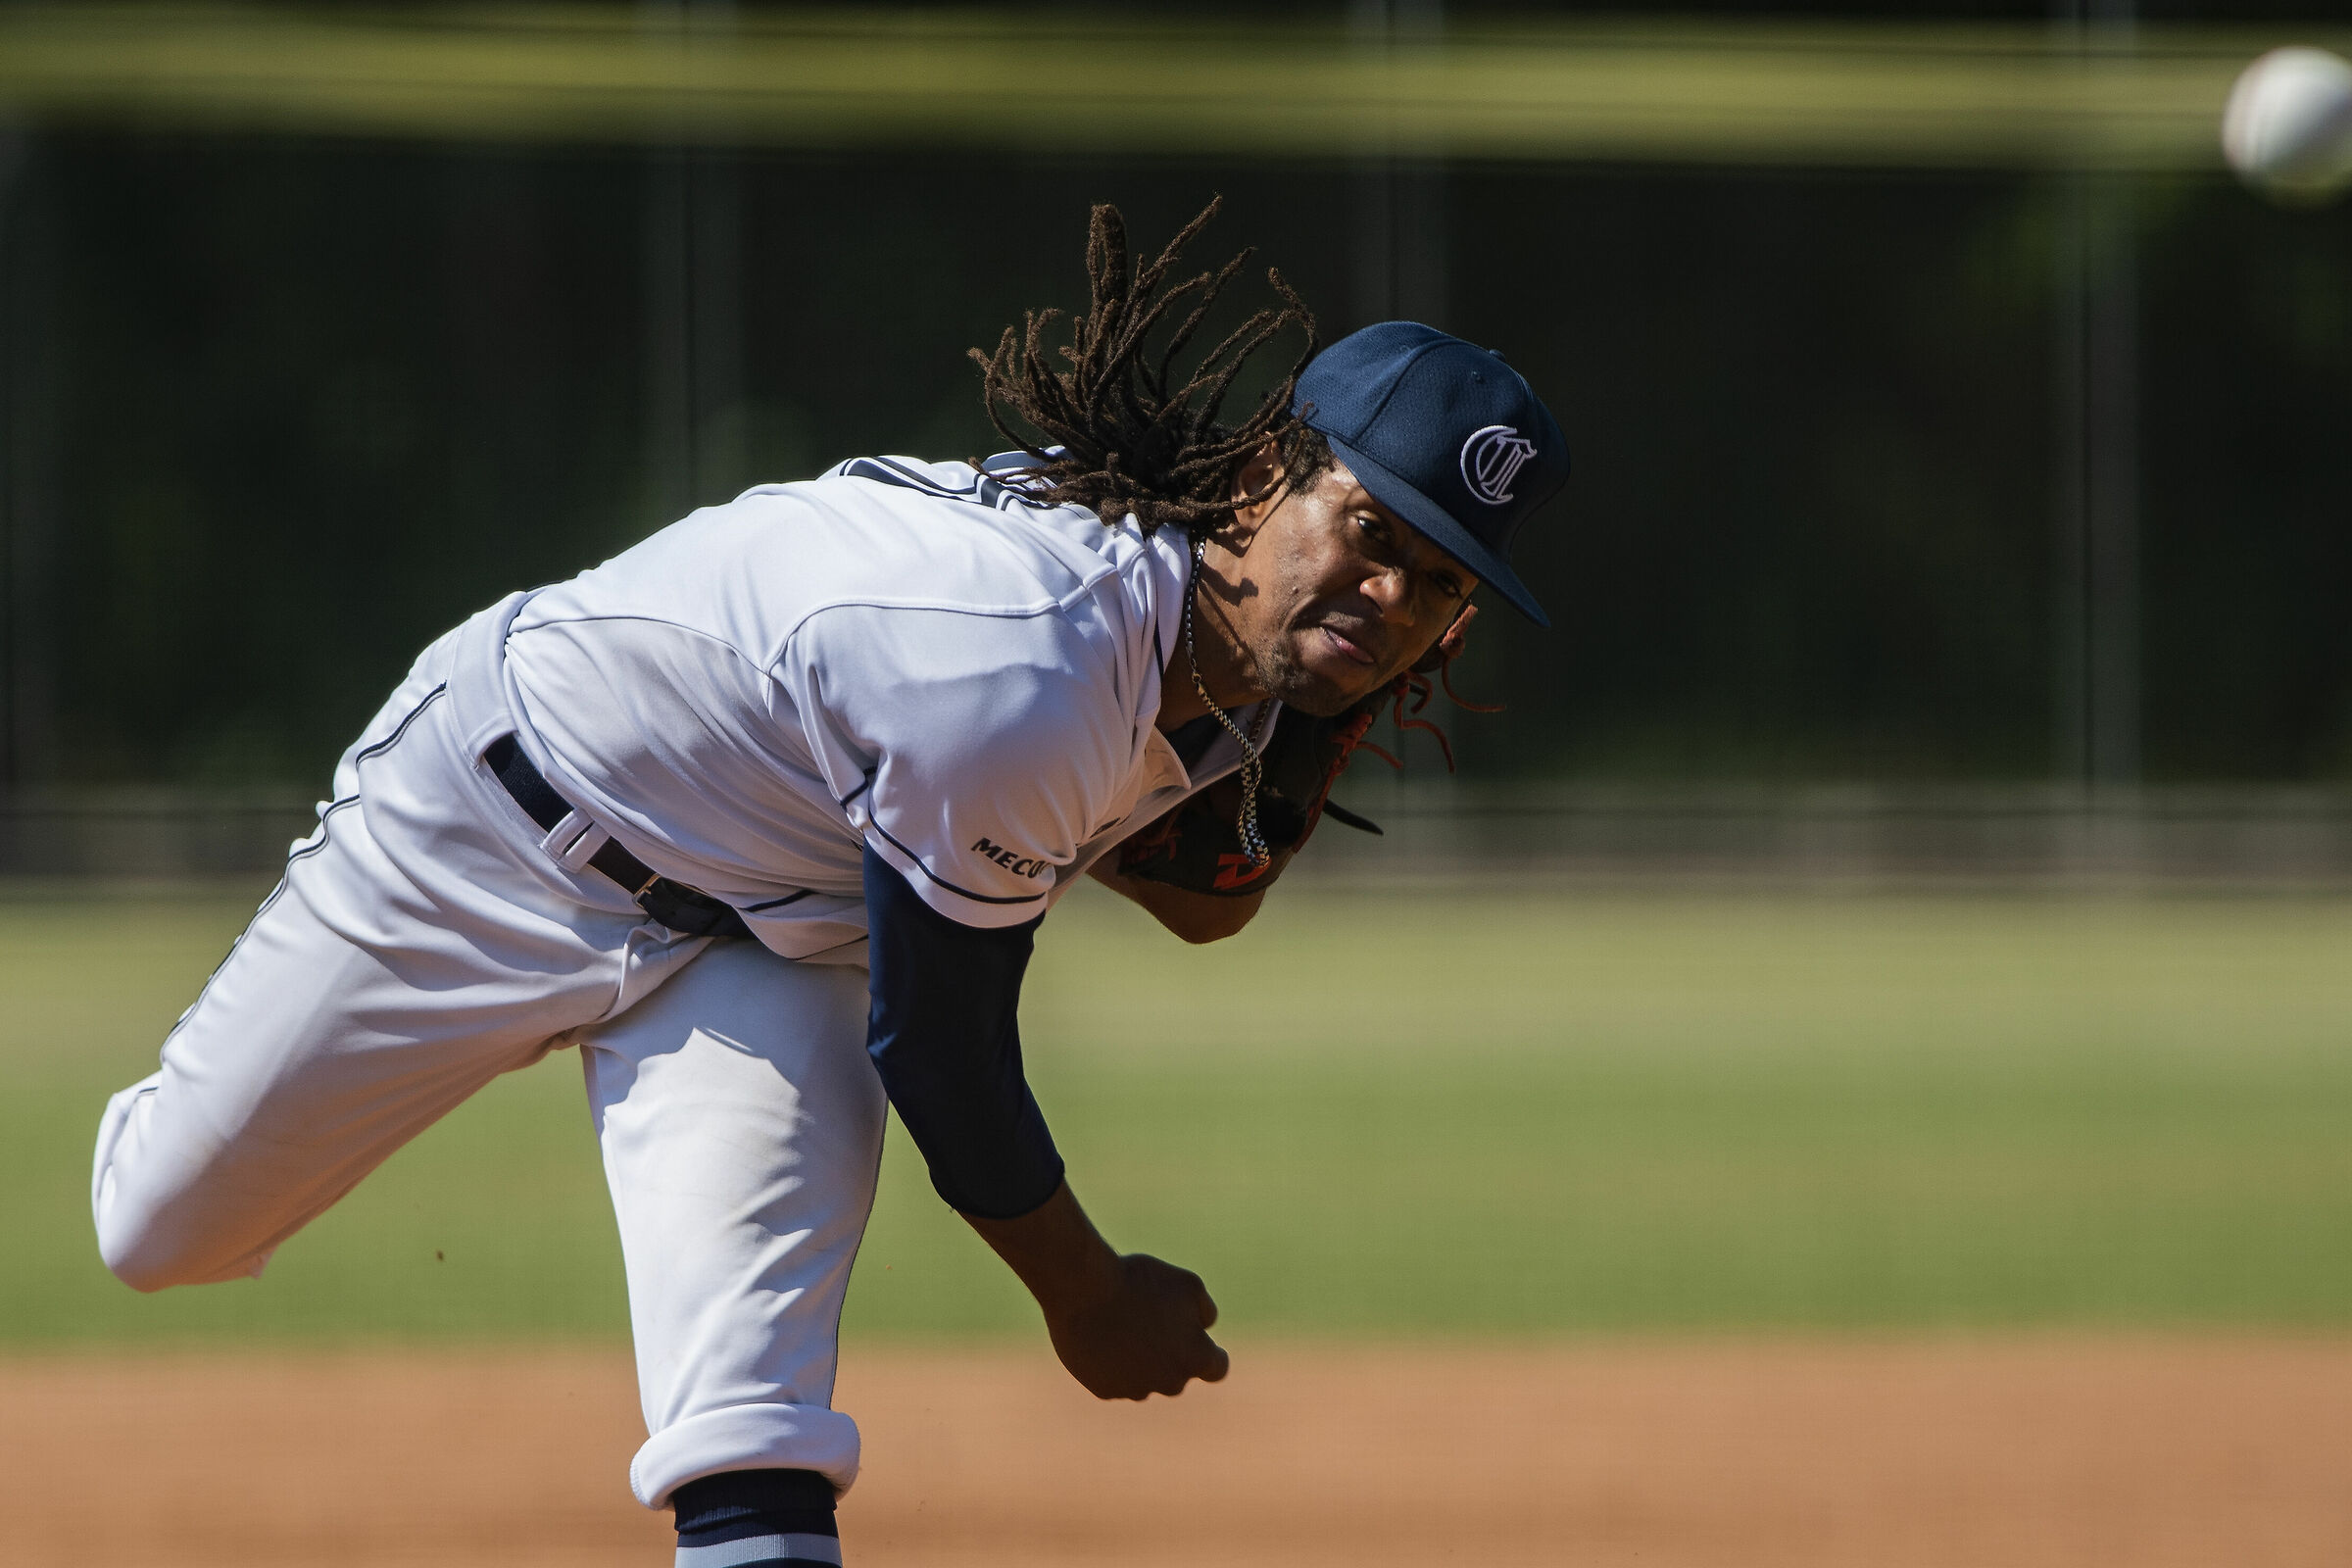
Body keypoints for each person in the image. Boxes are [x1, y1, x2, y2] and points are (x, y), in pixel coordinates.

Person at [88, 201, 1570, 1567]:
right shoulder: (1026, 655)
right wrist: (1088, 1293)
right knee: (159, 1232)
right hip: (492, 828)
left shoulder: (1210, 648)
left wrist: (1275, 738)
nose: (1395, 599)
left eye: (1441, 585)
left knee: (752, 1432)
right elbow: (941, 1048)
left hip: (769, 937)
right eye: (1374, 533)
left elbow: (1205, 897)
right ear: (1263, 473)